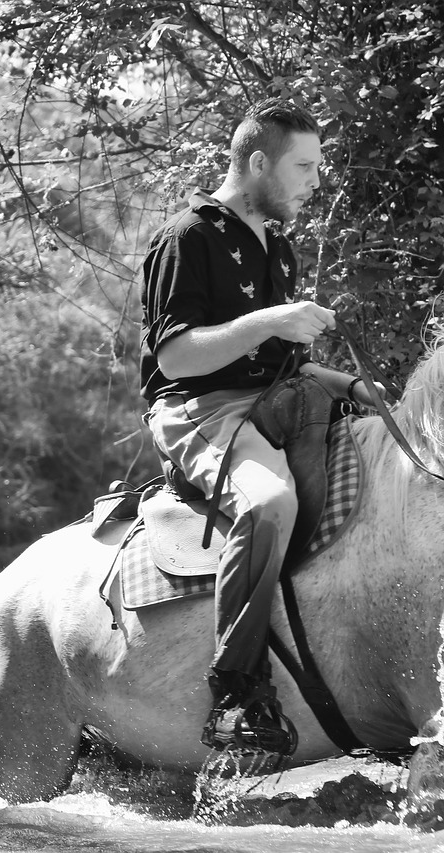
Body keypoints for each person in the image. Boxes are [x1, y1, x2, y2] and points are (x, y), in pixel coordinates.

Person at [140, 97, 380, 756]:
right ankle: (236, 692)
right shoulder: (187, 235)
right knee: (270, 501)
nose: (314, 181)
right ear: (256, 163)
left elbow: (288, 365)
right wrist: (272, 319)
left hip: (277, 398)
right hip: (200, 409)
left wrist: (361, 389)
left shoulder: (277, 242)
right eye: (303, 166)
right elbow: (176, 356)